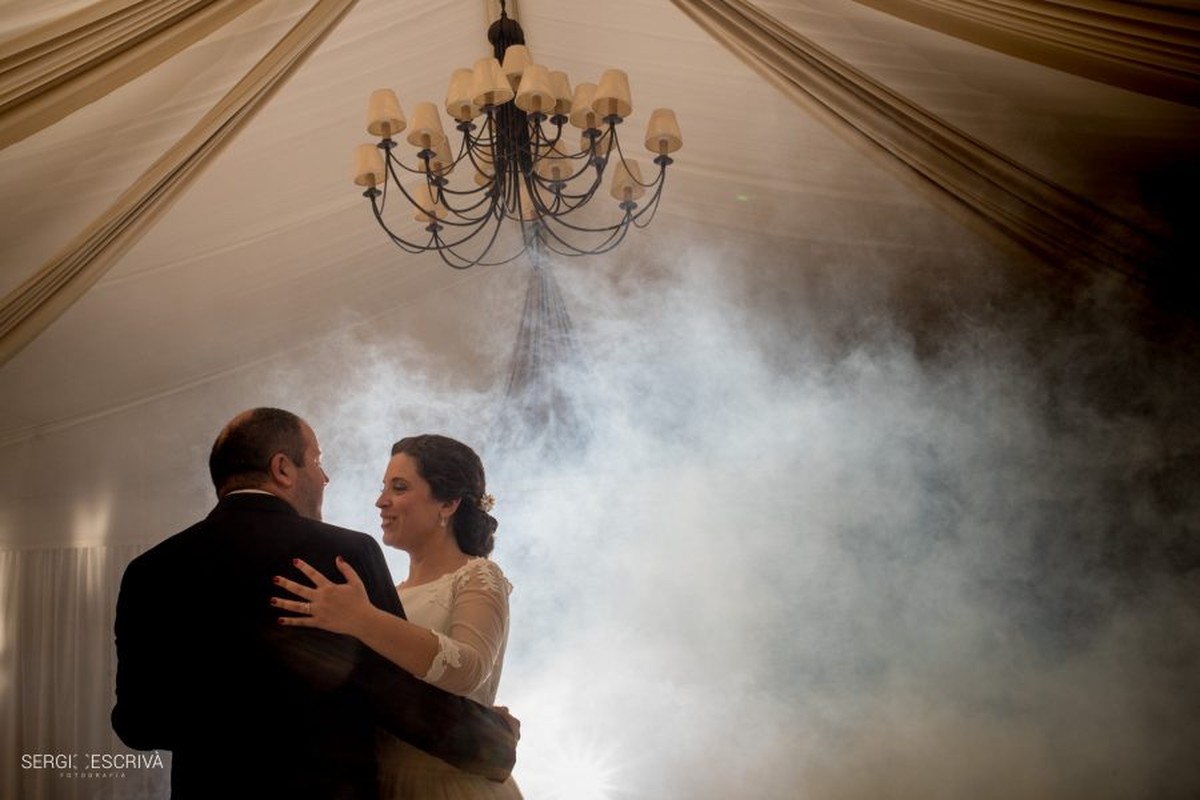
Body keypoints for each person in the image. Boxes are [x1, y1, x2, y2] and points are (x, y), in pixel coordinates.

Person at [111, 409, 517, 800]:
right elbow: (398, 698)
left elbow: (137, 724)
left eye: (398, 487)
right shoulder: (341, 556)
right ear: (283, 469)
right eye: (318, 461)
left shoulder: (149, 570)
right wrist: (493, 741)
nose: (325, 477)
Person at [273, 434, 523, 799]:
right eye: (384, 487)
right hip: (385, 785)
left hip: (449, 783)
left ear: (449, 503)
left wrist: (361, 619)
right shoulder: (392, 593)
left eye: (399, 487)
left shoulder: (478, 575)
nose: (381, 501)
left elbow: (469, 669)